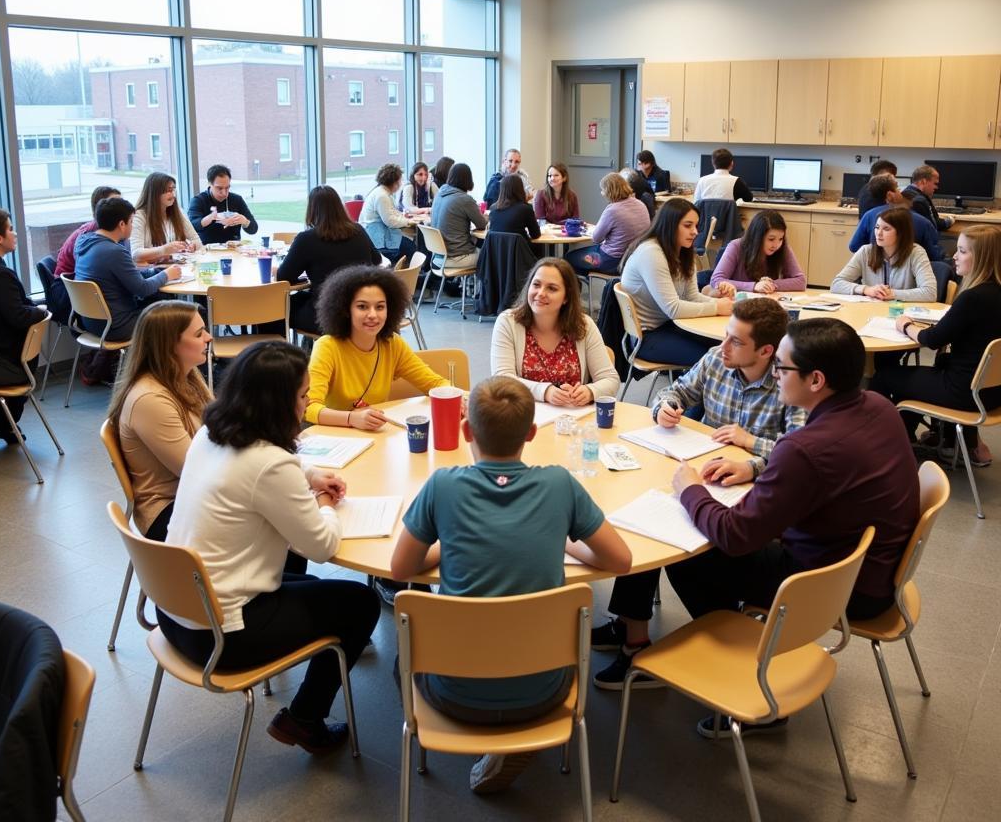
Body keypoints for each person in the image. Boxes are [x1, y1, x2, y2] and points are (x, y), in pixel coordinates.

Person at [608, 320, 920, 735]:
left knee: (686, 550)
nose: (775, 375)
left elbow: (736, 536)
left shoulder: (805, 448)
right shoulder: (879, 408)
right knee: (707, 536)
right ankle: (680, 628)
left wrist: (690, 491)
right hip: (875, 572)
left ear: (816, 380)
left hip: (829, 591)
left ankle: (739, 659)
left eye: (783, 369)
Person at [390, 376, 631, 793]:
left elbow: (401, 568)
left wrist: (452, 544)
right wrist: (568, 544)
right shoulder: (560, 484)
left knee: (401, 660)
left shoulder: (442, 486)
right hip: (545, 693)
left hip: (454, 695)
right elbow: (620, 560)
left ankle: (461, 745)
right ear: (532, 434)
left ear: (467, 432)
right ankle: (513, 739)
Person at [159, 342, 380, 755]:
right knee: (360, 601)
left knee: (310, 585)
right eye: (302, 395)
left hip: (176, 613)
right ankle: (304, 719)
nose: (309, 401)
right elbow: (322, 543)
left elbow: (274, 467)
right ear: (276, 402)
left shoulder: (212, 432)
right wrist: (326, 503)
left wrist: (310, 474)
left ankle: (305, 708)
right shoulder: (268, 464)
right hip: (222, 636)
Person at [593, 298, 806, 687]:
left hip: (752, 498)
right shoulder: (715, 360)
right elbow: (675, 392)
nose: (722, 347)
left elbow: (800, 449)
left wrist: (752, 447)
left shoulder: (787, 382)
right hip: (705, 478)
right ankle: (631, 630)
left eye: (735, 342)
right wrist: (666, 408)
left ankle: (686, 643)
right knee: (648, 516)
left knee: (671, 535)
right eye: (725, 336)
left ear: (766, 351)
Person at [872, 225, 1001, 466]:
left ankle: (883, 450)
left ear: (981, 257)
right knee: (931, 368)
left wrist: (906, 325)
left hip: (964, 393)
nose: (954, 256)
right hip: (993, 392)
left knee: (886, 376)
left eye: (962, 251)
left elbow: (932, 340)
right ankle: (934, 441)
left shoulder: (972, 298)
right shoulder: (994, 292)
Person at [106, 300, 211, 541]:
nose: (208, 338)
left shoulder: (184, 376)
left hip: (192, 495)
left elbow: (219, 430)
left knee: (279, 511)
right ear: (170, 345)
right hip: (169, 511)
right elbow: (194, 470)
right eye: (199, 334)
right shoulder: (149, 399)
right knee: (275, 517)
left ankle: (276, 576)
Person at [304, 265, 448, 428]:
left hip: (375, 435)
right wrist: (351, 418)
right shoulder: (328, 347)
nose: (372, 315)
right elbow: (308, 408)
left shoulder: (392, 344)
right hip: (335, 438)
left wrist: (458, 398)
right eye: (362, 306)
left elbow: (435, 383)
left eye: (380, 307)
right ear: (345, 310)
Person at [74, 197, 182, 384]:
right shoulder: (113, 251)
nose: (132, 226)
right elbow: (142, 289)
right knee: (180, 315)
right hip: (118, 325)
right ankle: (185, 375)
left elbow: (126, 277)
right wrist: (167, 275)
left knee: (162, 300)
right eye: (132, 221)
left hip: (92, 322)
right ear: (121, 224)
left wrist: (155, 271)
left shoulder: (85, 243)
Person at [619, 198, 734, 365]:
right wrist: (717, 306)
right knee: (718, 358)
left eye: (696, 226)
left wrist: (724, 304)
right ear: (670, 225)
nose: (695, 232)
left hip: (673, 325)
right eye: (688, 226)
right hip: (648, 337)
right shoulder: (651, 253)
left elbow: (691, 296)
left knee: (732, 348)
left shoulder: (683, 252)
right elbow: (673, 309)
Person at [490, 258, 619, 405]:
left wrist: (590, 391)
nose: (540, 293)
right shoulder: (508, 322)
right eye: (536, 285)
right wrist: (545, 392)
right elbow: (502, 379)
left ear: (566, 298)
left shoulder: (584, 325)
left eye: (552, 288)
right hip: (523, 415)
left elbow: (610, 379)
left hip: (572, 419)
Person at [0, 207, 48, 448]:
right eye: (10, 228)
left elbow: (18, 314)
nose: (15, 233)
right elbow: (20, 315)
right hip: (5, 357)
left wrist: (39, 311)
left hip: (5, 360)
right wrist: (42, 310)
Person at [277, 186, 381, 334]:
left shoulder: (306, 239)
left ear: (312, 210)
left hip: (326, 316)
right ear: (339, 207)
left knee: (274, 308)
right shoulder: (358, 230)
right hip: (360, 311)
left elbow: (283, 276)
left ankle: (271, 356)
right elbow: (376, 260)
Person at [832, 206, 935, 302]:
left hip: (900, 313)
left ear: (901, 233)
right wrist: (866, 289)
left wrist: (893, 294)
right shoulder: (865, 251)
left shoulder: (916, 253)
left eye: (886, 229)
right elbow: (836, 284)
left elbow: (930, 292)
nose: (878, 233)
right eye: (877, 227)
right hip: (870, 312)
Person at [568, 172, 650, 276]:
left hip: (611, 260)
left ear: (608, 191)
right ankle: (593, 281)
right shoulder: (641, 205)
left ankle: (587, 284)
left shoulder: (612, 210)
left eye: (602, 190)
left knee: (569, 258)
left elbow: (596, 239)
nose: (602, 193)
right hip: (634, 258)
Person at [849, 174, 943, 262]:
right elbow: (935, 257)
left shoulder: (868, 216)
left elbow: (854, 246)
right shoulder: (922, 222)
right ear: (890, 195)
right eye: (897, 189)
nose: (901, 192)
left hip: (873, 271)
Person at [710, 210, 806, 293]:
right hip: (737, 303)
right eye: (771, 239)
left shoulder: (782, 247)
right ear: (757, 237)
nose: (776, 245)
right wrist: (754, 286)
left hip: (767, 302)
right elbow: (716, 280)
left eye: (780, 239)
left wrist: (770, 284)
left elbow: (801, 281)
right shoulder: (736, 246)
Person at [130, 172, 201, 263]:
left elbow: (197, 240)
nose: (173, 195)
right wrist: (164, 250)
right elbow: (136, 254)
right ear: (154, 193)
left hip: (178, 267)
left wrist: (193, 246)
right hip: (154, 272)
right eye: (168, 191)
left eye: (173, 190)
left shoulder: (178, 212)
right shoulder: (139, 216)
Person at [54, 185, 122, 279]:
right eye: (116, 205)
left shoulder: (108, 230)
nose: (122, 209)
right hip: (69, 286)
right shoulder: (89, 234)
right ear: (102, 207)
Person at [430, 162, 486, 272]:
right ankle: (479, 289)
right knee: (491, 256)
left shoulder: (440, 194)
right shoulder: (464, 199)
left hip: (437, 257)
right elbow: (482, 223)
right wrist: (488, 216)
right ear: (468, 179)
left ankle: (466, 287)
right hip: (456, 257)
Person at [358, 162, 417, 263]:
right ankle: (413, 276)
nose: (400, 183)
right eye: (400, 180)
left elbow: (391, 214)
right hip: (379, 240)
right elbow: (390, 221)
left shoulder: (381, 192)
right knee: (412, 248)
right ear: (394, 182)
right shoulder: (382, 196)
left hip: (376, 235)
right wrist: (408, 222)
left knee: (410, 244)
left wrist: (403, 218)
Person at [187, 164, 259, 245]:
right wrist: (210, 218)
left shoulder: (236, 200)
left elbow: (254, 229)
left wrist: (245, 221)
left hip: (233, 249)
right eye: (219, 188)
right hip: (207, 250)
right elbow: (191, 228)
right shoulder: (198, 200)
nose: (224, 193)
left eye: (227, 188)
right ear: (209, 184)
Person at [488, 175, 540, 242]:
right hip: (520, 251)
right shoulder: (526, 209)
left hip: (496, 251)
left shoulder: (493, 208)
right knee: (539, 248)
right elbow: (535, 235)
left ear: (502, 190)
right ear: (521, 189)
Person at [903, 165, 954, 232]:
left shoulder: (903, 194)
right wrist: (950, 220)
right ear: (923, 182)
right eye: (935, 183)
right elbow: (935, 226)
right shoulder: (920, 201)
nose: (936, 187)